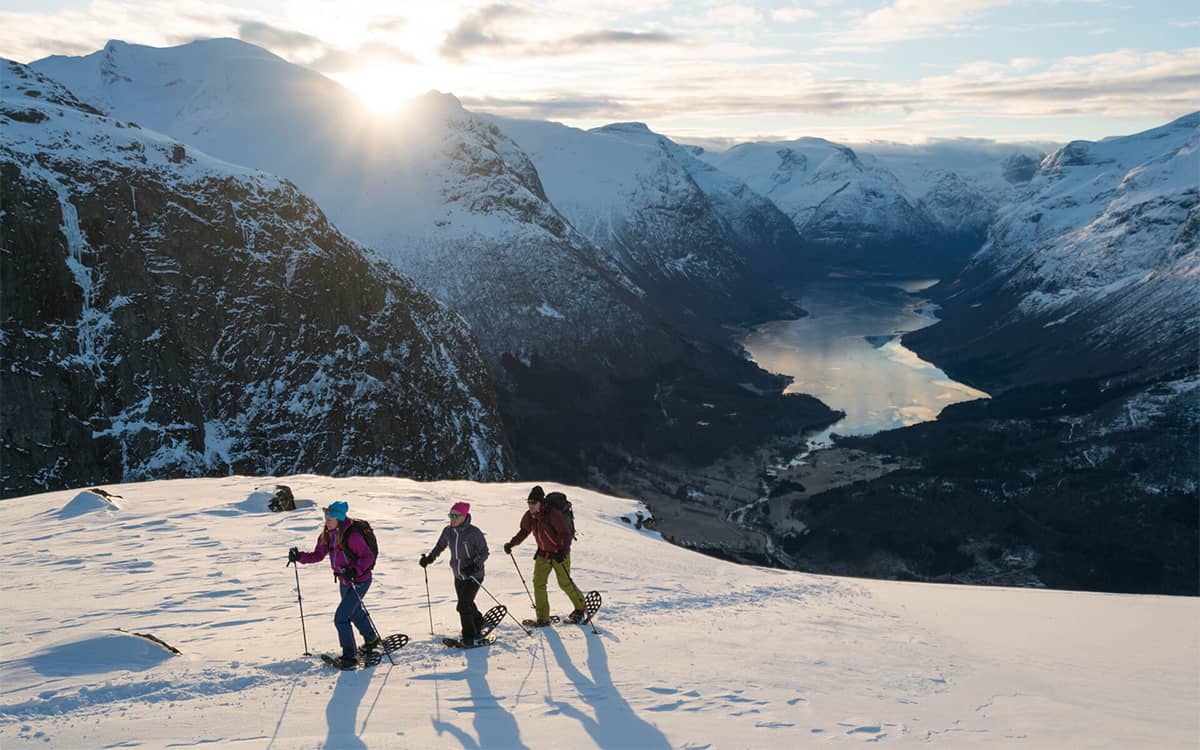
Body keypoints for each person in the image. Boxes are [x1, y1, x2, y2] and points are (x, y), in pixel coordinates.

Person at [288, 501, 380, 668]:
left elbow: (368, 557)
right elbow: (317, 555)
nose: (327, 521)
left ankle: (349, 657)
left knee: (341, 617)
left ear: (339, 519)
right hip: (344, 581)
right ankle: (371, 640)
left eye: (330, 519)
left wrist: (355, 570)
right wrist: (298, 556)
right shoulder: (326, 535)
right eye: (326, 518)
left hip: (360, 581)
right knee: (353, 612)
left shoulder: (352, 536)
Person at [504, 485, 586, 626]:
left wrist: (563, 551)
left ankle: (580, 608)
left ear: (541, 502)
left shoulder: (553, 514)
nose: (531, 506)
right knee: (538, 583)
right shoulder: (530, 516)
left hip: (559, 554)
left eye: (534, 503)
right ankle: (543, 618)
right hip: (543, 554)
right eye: (529, 502)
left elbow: (565, 534)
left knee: (564, 583)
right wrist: (511, 544)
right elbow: (524, 531)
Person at [419, 501, 490, 645]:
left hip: (474, 575)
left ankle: (469, 637)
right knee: (467, 602)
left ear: (464, 516)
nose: (452, 518)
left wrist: (475, 566)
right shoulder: (448, 531)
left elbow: (484, 552)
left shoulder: (474, 533)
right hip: (458, 575)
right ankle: (479, 621)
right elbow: (440, 546)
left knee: (463, 605)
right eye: (450, 515)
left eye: (455, 515)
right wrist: (430, 558)